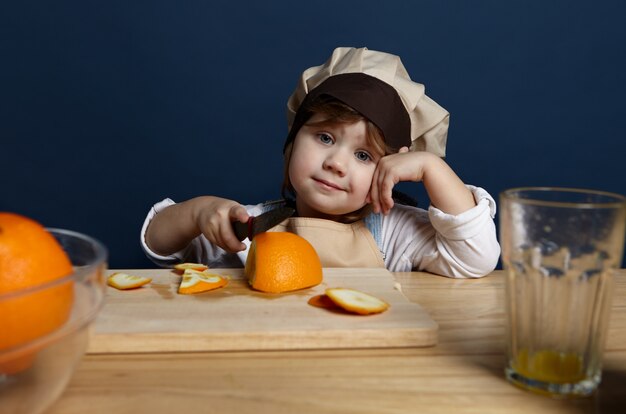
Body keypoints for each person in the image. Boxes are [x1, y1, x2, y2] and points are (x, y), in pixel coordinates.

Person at [141, 47, 500, 277]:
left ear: (394, 170)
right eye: (325, 137)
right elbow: (160, 246)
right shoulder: (249, 225)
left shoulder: (396, 235)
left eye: (363, 155)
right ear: (292, 142)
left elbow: (477, 257)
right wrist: (199, 212)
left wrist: (433, 169)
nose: (336, 163)